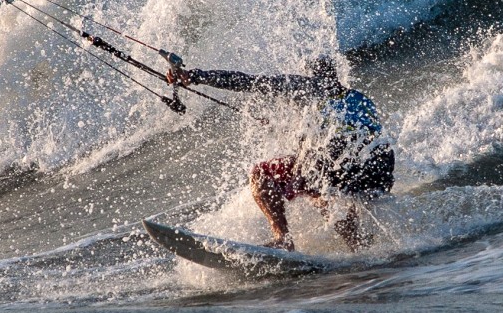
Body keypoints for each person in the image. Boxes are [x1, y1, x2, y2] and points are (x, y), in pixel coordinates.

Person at [168, 56, 394, 252]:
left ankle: (283, 239)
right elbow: (356, 135)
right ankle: (359, 245)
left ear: (310, 77)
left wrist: (196, 76)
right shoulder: (359, 98)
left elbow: (245, 81)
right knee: (324, 183)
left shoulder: (309, 88)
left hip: (339, 160)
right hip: (380, 169)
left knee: (265, 174)